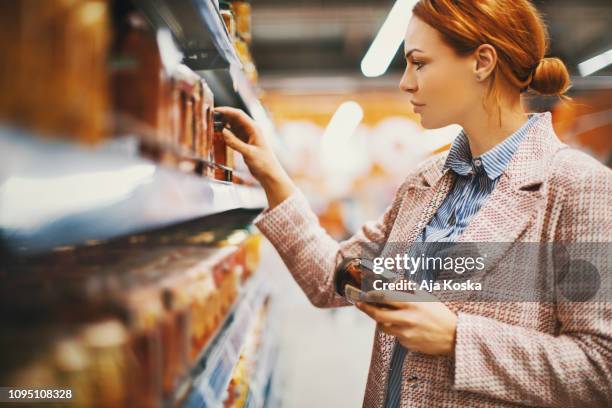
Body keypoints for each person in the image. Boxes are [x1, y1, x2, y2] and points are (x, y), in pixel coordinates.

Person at [215, 0, 612, 406]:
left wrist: (458, 338)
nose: (405, 82)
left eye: (418, 63)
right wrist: (271, 175)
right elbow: (331, 278)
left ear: (482, 62)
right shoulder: (426, 181)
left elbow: (601, 369)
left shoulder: (578, 188)